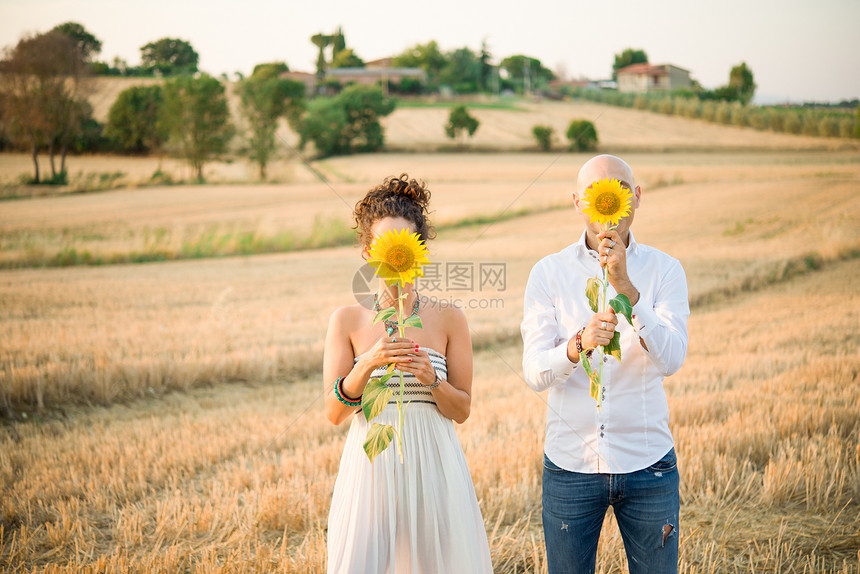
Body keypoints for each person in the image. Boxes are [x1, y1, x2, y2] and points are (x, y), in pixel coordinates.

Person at [521, 155, 689, 574]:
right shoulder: (548, 273)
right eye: (598, 192)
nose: (609, 201)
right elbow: (535, 372)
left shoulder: (665, 270)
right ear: (579, 201)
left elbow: (670, 359)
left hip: (648, 462)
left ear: (635, 197)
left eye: (619, 190)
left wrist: (627, 289)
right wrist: (577, 345)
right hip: (570, 465)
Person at [324, 174, 494, 574]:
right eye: (386, 244)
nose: (396, 253)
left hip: (434, 465)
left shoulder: (450, 318)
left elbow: (462, 410)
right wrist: (368, 363)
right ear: (369, 251)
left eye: (405, 243)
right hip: (371, 471)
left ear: (419, 249)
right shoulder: (347, 320)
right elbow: (333, 412)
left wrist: (431, 379)